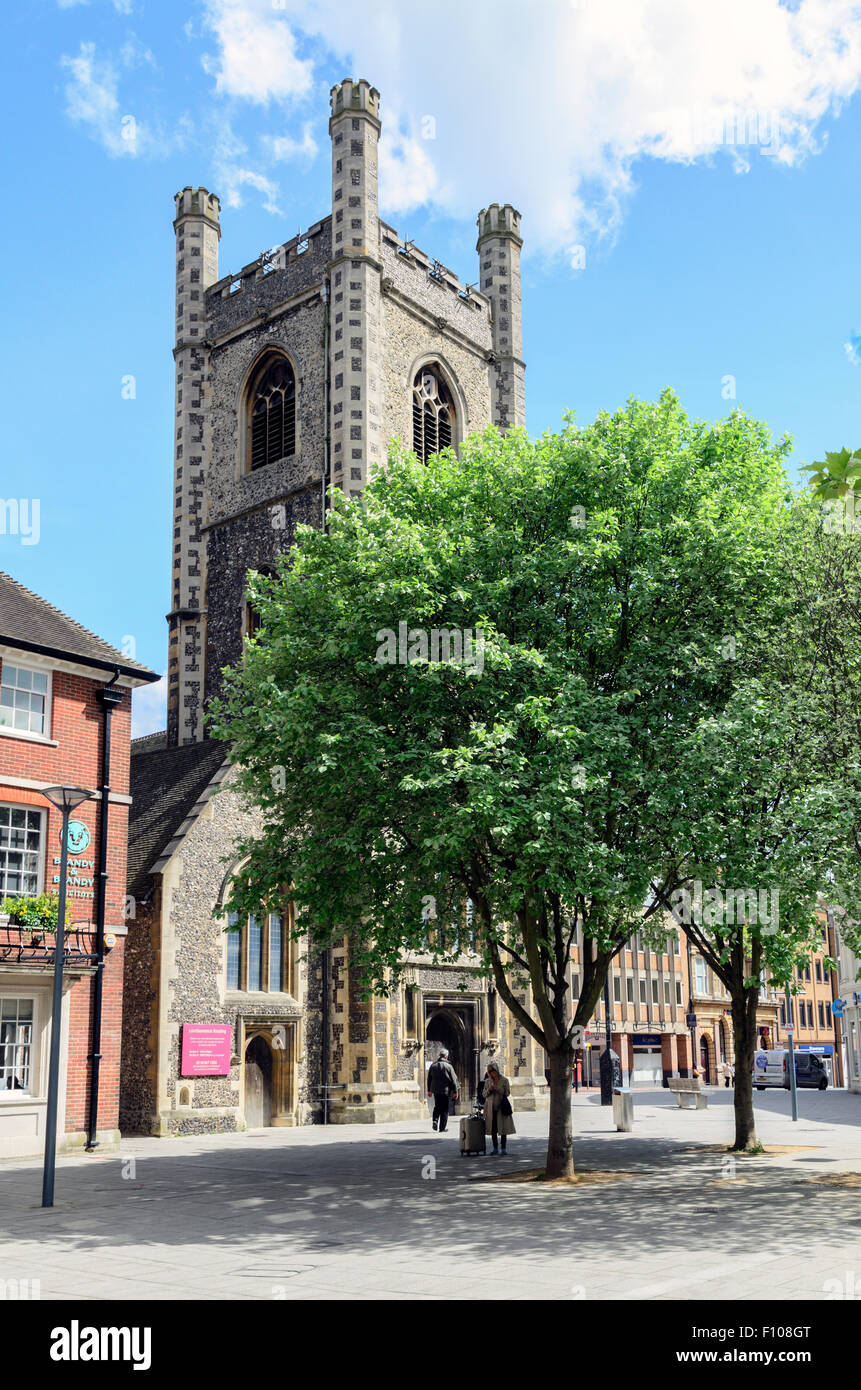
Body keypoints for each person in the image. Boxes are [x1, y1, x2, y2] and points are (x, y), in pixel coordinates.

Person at [483, 1062, 515, 1154]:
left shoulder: (504, 1080)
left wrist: (497, 1088)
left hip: (502, 1108)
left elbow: (507, 1093)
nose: (492, 1073)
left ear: (496, 1070)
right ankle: (495, 1148)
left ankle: (503, 1148)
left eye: (493, 1071)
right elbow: (483, 1094)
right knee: (493, 1129)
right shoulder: (487, 1081)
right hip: (491, 1109)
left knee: (503, 1129)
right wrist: (489, 1090)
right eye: (490, 1071)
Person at [427, 1048, 459, 1132]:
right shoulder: (448, 1066)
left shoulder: (433, 1065)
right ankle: (442, 1128)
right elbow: (453, 1079)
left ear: (439, 1056)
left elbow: (429, 1079)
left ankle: (435, 1120)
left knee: (437, 1106)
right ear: (446, 1056)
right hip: (445, 1091)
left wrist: (429, 1090)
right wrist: (455, 1091)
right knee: (444, 1109)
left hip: (436, 1091)